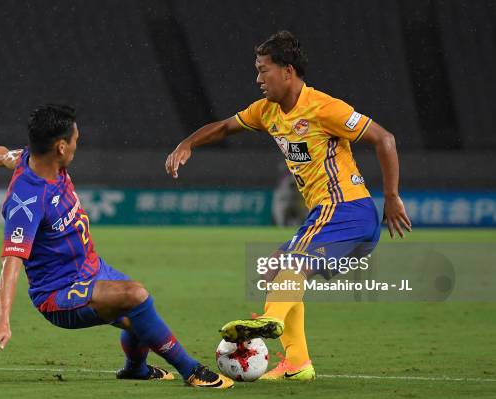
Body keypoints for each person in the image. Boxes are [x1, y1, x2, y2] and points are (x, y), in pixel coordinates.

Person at [165, 31, 412, 381]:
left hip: (344, 208)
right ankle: (298, 363)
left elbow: (384, 139)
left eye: (263, 70)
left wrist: (391, 196)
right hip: (337, 217)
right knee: (274, 270)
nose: (258, 79)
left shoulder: (325, 107)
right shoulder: (267, 112)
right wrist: (187, 144)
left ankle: (270, 322)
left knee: (292, 265)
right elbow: (224, 128)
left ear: (287, 71)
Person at [0, 104, 233, 389]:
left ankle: (136, 369)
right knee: (135, 295)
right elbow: (11, 262)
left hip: (92, 269)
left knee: (140, 310)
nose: (76, 146)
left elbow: (14, 156)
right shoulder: (26, 202)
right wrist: (2, 319)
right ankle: (192, 371)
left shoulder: (36, 159)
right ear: (61, 147)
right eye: (75, 141)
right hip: (59, 293)